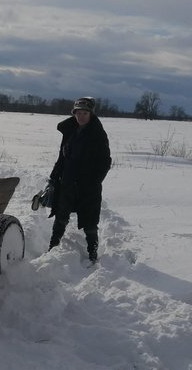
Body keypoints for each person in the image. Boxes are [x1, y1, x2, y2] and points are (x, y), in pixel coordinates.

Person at [47, 97, 112, 263]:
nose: (81, 116)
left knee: (90, 221)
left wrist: (94, 181)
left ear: (90, 114)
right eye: (78, 113)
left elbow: (105, 161)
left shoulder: (98, 134)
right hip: (67, 181)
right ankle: (53, 246)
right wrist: (54, 176)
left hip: (88, 186)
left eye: (85, 113)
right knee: (61, 216)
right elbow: (62, 158)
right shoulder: (70, 131)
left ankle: (92, 252)